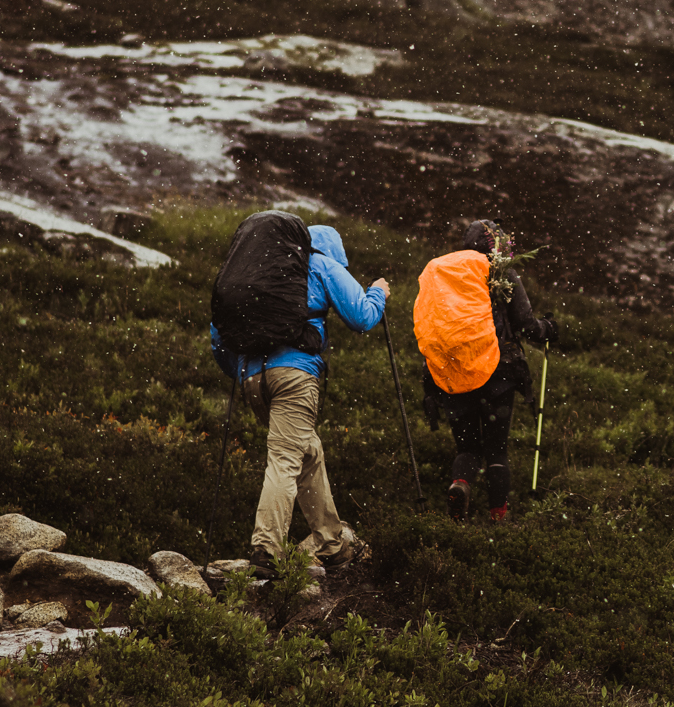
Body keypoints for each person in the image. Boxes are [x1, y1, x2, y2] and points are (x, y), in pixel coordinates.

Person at [210, 222, 387, 573]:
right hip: (295, 376)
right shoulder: (320, 264)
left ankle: (331, 541)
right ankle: (266, 550)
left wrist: (244, 372)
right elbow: (362, 318)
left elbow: (219, 335)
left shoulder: (262, 274)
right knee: (285, 459)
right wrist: (377, 293)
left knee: (308, 451)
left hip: (253, 378)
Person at [413, 219, 557, 522]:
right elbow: (525, 324)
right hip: (497, 374)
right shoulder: (498, 271)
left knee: (467, 447)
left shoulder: (441, 271)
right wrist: (548, 328)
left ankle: (460, 485)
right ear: (497, 245)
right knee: (496, 449)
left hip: (452, 373)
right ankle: (497, 517)